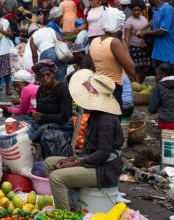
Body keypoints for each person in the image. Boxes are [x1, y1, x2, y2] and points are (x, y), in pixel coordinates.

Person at [45, 69, 124, 210]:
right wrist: (72, 159)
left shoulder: (107, 119)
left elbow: (103, 153)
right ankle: (70, 203)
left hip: (104, 170)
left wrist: (76, 163)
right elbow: (91, 150)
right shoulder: (96, 115)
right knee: (50, 162)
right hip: (96, 163)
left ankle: (65, 215)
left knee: (56, 178)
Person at [89, 7, 135, 109]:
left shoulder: (94, 41)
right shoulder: (114, 42)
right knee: (112, 119)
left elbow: (93, 69)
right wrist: (125, 46)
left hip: (98, 86)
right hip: (113, 89)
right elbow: (131, 70)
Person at [28, 60, 73, 142]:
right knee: (26, 126)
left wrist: (43, 116)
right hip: (45, 124)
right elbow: (39, 110)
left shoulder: (62, 89)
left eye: (48, 75)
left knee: (41, 132)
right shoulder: (41, 89)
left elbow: (65, 116)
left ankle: (30, 142)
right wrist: (36, 115)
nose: (45, 78)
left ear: (54, 74)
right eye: (42, 76)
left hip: (61, 126)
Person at [137, 0, 174, 71]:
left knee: (168, 80)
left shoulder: (168, 9)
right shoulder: (155, 9)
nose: (148, 2)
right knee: (158, 80)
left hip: (168, 55)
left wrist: (145, 32)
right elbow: (153, 21)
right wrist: (142, 30)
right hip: (157, 54)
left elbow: (163, 31)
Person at [30, 7, 67, 81]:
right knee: (59, 79)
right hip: (58, 53)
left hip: (46, 54)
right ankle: (60, 90)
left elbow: (34, 55)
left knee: (46, 79)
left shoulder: (32, 38)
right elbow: (61, 41)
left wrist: (37, 69)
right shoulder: (49, 29)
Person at [148, 63, 174, 131]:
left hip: (166, 123)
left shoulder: (159, 86)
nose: (156, 77)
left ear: (163, 75)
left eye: (157, 75)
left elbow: (151, 109)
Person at [123, 1, 150, 83]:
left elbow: (147, 31)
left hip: (144, 47)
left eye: (138, 10)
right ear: (131, 11)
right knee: (137, 69)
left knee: (146, 68)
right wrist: (127, 49)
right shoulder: (129, 21)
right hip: (134, 47)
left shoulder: (144, 18)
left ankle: (140, 83)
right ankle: (137, 87)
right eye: (134, 10)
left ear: (141, 10)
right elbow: (127, 37)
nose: (136, 12)